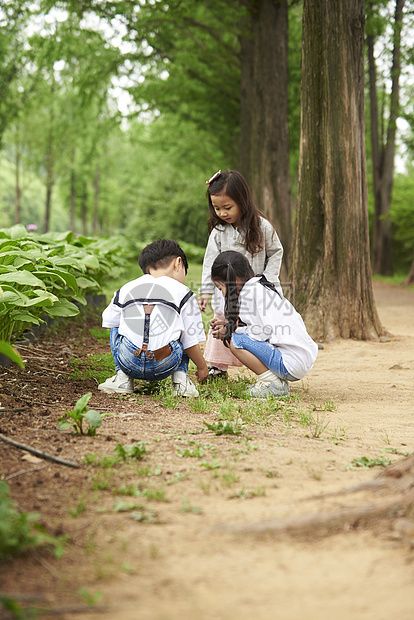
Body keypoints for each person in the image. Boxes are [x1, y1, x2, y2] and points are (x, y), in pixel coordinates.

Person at [197, 169, 284, 380]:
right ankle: (218, 366)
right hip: (227, 291)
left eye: (227, 207)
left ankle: (268, 365)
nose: (222, 213)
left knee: (260, 324)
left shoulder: (261, 227)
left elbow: (276, 252)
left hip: (257, 289)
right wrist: (206, 291)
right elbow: (210, 263)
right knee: (222, 321)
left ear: (242, 201)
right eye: (217, 208)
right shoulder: (219, 232)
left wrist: (269, 279)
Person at [98, 239, 209, 397]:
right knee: (183, 329)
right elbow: (190, 341)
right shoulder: (184, 293)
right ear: (178, 263)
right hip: (164, 362)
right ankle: (181, 381)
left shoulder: (126, 288)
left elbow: (108, 320)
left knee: (116, 322)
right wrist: (202, 367)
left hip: (129, 360)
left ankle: (122, 378)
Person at [210, 251, 318, 397]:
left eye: (220, 288)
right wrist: (227, 325)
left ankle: (273, 384)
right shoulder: (258, 286)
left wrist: (228, 331)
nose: (222, 294)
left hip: (290, 363)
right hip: (298, 358)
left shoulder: (249, 294)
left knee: (235, 341)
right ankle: (274, 381)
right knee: (236, 336)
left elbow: (260, 334)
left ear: (233, 281)